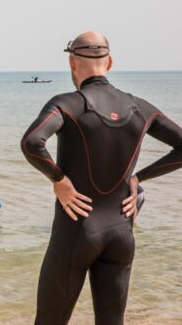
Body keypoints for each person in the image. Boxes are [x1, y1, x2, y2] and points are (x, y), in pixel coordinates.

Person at [20, 30, 182, 325]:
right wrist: (138, 178)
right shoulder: (140, 107)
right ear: (110, 62)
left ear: (72, 62)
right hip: (122, 232)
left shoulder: (67, 104)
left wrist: (59, 180)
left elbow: (32, 143)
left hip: (77, 232)